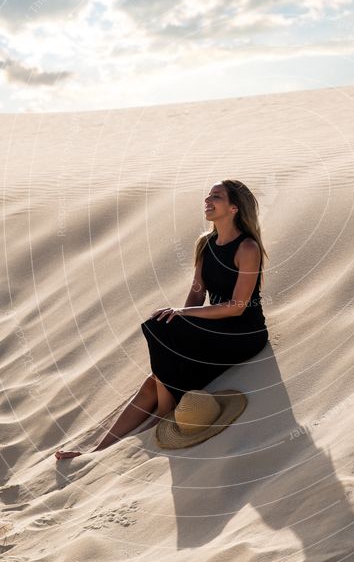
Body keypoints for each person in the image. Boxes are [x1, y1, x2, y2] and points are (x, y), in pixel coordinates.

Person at [55, 179, 269, 459]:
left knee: (158, 328)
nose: (207, 200)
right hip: (215, 328)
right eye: (207, 194)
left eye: (216, 196)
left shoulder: (247, 248)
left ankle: (162, 413)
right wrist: (177, 331)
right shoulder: (205, 245)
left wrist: (182, 317)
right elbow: (196, 294)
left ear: (233, 208)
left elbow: (237, 307)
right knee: (155, 372)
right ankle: (97, 451)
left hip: (243, 334)